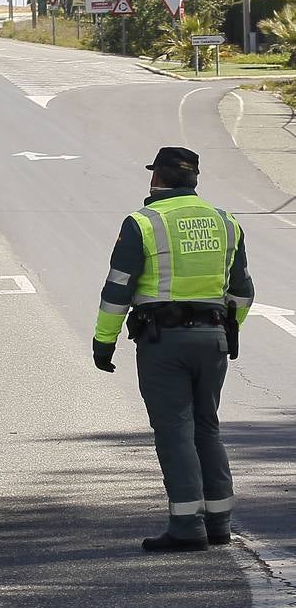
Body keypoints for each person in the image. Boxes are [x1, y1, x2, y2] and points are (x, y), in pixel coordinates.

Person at [92, 147, 255, 552]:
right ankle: (219, 522)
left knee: (174, 431)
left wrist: (104, 341)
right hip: (212, 338)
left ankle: (186, 526)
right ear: (193, 179)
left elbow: (117, 290)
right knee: (207, 427)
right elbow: (242, 292)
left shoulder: (142, 223)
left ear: (157, 178)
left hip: (163, 343)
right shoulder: (226, 221)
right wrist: (227, 329)